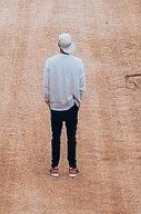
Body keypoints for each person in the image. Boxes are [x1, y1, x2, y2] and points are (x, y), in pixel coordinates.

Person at [42, 32, 86, 178]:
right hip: (71, 105)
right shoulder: (78, 63)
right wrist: (78, 101)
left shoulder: (50, 62)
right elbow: (81, 86)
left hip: (55, 105)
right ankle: (72, 167)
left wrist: (49, 102)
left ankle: (54, 166)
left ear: (58, 45)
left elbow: (46, 86)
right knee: (71, 136)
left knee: (55, 136)